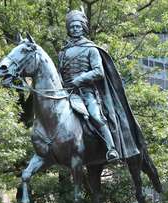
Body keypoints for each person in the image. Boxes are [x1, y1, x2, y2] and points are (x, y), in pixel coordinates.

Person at [58, 9, 145, 162]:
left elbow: (99, 71)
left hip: (86, 93)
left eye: (77, 26)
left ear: (83, 27)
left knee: (96, 116)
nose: (75, 29)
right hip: (67, 93)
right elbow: (60, 72)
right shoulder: (63, 52)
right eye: (71, 27)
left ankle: (111, 149)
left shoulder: (91, 48)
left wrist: (79, 79)